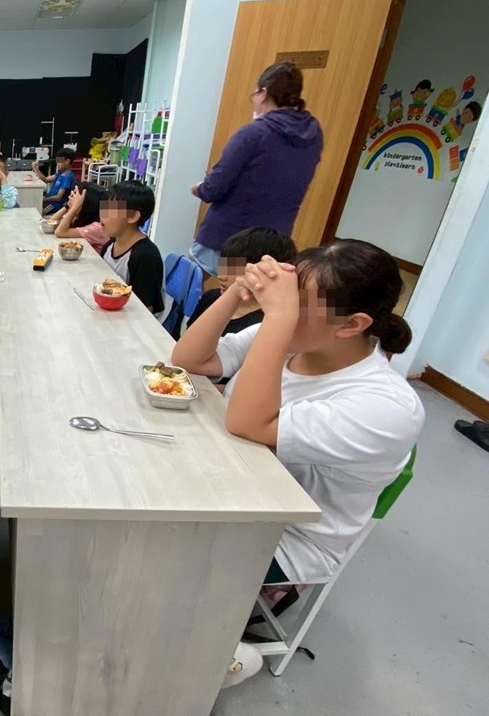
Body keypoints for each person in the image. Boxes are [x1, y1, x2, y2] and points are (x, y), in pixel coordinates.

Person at [171, 239, 424, 688]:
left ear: (352, 325)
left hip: (288, 535)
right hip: (232, 484)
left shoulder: (386, 407)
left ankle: (222, 654)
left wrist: (278, 319)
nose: (279, 309)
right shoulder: (293, 338)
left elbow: (247, 423)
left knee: (149, 550)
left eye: (296, 305)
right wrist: (238, 292)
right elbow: (189, 360)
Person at [189, 62, 322, 275]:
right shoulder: (313, 135)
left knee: (189, 281)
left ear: (263, 94)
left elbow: (214, 188)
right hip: (273, 242)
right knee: (247, 289)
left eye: (254, 94)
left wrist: (199, 188)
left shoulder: (254, 134)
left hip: (229, 235)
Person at [186, 227, 298, 334]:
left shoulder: (266, 322)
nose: (221, 276)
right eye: (223, 266)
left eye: (233, 269)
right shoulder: (211, 299)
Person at [98, 181, 164, 312]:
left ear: (133, 216)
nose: (102, 214)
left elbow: (145, 310)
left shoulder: (145, 256)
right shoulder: (109, 246)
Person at [47, 182, 107, 252]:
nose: (69, 197)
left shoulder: (97, 228)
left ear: (84, 204)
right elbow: (50, 223)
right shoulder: (77, 217)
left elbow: (59, 232)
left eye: (74, 197)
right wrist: (67, 206)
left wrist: (74, 207)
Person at [33, 148, 75, 216]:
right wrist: (37, 169)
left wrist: (44, 200)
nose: (57, 164)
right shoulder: (60, 173)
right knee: (34, 204)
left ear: (67, 161)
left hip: (55, 205)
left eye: (59, 161)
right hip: (49, 201)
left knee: (38, 212)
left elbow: (58, 197)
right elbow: (45, 179)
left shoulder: (68, 177)